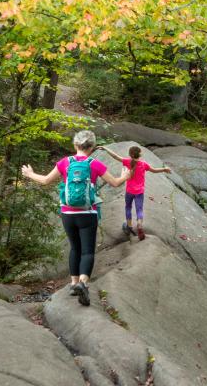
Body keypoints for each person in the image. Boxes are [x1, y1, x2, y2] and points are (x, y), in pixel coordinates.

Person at [21, 130, 128, 306]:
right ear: (92, 147)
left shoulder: (65, 162)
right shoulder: (94, 164)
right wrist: (125, 175)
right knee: (87, 251)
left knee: (74, 248)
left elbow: (46, 181)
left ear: (75, 145)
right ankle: (83, 283)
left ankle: (73, 283)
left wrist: (29, 174)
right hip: (87, 213)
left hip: (68, 213)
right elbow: (115, 183)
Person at [98, 144, 171, 241]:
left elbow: (115, 156)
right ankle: (139, 225)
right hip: (139, 192)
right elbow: (154, 170)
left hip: (129, 191)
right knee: (139, 209)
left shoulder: (127, 161)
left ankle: (129, 226)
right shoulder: (144, 164)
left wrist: (106, 148)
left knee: (128, 207)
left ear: (130, 154)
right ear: (140, 154)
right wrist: (164, 169)